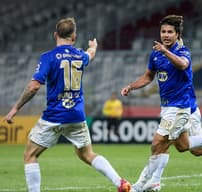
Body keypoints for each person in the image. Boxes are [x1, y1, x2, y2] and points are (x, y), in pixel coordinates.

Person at [120, 15, 202, 192]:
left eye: (170, 32)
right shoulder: (155, 54)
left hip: (180, 108)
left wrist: (165, 51)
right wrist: (131, 86)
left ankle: (139, 187)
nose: (165, 35)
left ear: (177, 34)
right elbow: (148, 76)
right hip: (167, 107)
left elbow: (182, 65)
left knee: (158, 144)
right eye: (163, 31)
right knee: (184, 147)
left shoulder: (182, 51)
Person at [3, 17, 131, 192]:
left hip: (54, 116)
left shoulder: (48, 57)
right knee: (87, 154)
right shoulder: (79, 55)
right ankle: (120, 183)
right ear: (74, 37)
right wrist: (93, 47)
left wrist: (15, 109)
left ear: (55, 35)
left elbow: (33, 87)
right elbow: (90, 55)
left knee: (30, 155)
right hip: (77, 115)